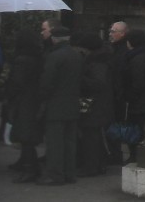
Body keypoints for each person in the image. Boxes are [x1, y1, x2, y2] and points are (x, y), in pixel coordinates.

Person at [37, 26, 83, 186]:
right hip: (72, 104)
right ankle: (69, 173)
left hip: (56, 105)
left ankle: (55, 175)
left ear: (54, 39)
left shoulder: (54, 56)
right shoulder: (77, 56)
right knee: (70, 142)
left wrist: (42, 98)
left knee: (55, 142)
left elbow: (47, 82)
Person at [6, 29, 45, 183]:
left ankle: (31, 168)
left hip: (23, 101)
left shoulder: (21, 60)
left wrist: (7, 92)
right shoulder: (37, 58)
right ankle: (27, 164)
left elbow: (17, 82)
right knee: (27, 133)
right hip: (33, 99)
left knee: (25, 135)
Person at [77, 33, 114, 177]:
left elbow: (98, 83)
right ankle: (97, 165)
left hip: (95, 104)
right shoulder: (102, 59)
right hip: (100, 103)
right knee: (95, 135)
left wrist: (81, 79)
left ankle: (92, 166)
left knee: (91, 136)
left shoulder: (97, 63)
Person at [122, 30, 145, 164]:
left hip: (138, 100)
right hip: (143, 99)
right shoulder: (143, 56)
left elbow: (138, 82)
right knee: (138, 127)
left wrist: (130, 96)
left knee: (135, 128)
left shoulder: (137, 59)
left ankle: (135, 155)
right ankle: (136, 154)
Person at [106, 21, 129, 165]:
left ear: (123, 33)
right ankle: (115, 153)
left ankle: (116, 153)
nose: (111, 34)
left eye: (114, 31)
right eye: (111, 30)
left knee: (116, 123)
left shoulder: (122, 51)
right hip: (115, 92)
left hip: (118, 93)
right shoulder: (114, 49)